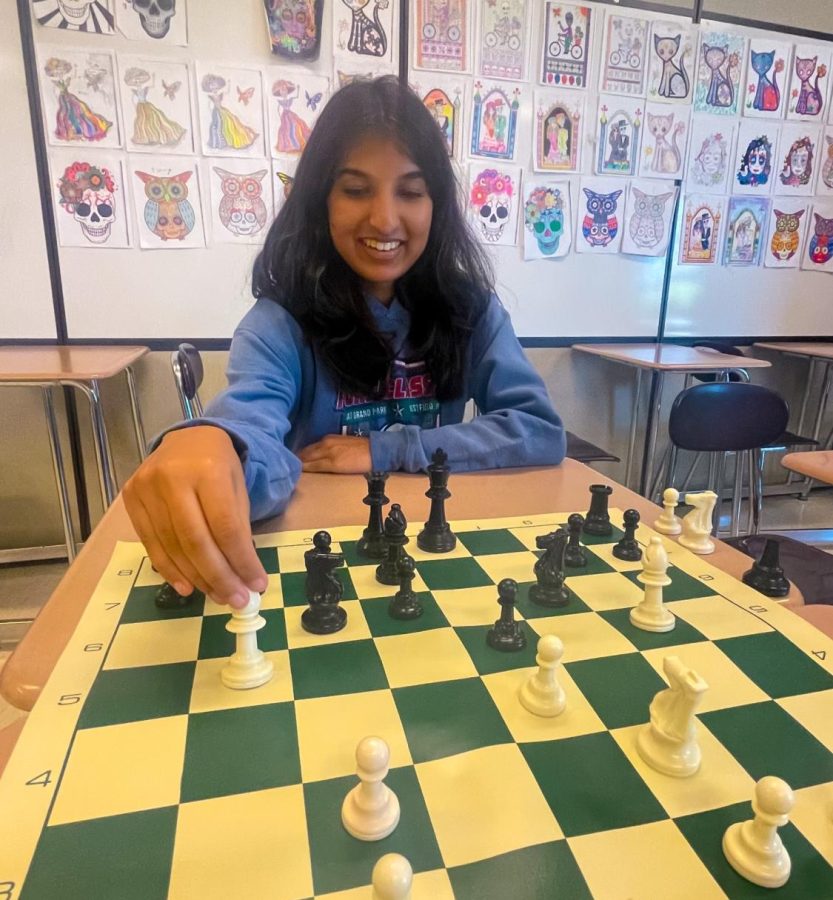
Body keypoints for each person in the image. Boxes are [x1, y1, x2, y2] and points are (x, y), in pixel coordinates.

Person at [124, 76, 565, 609]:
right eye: (356, 190)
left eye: (410, 191)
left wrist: (388, 448)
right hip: (319, 562)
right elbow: (252, 432)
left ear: (437, 204)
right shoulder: (278, 323)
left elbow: (538, 430)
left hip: (432, 564)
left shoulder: (470, 310)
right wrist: (217, 444)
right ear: (320, 200)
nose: (384, 218)